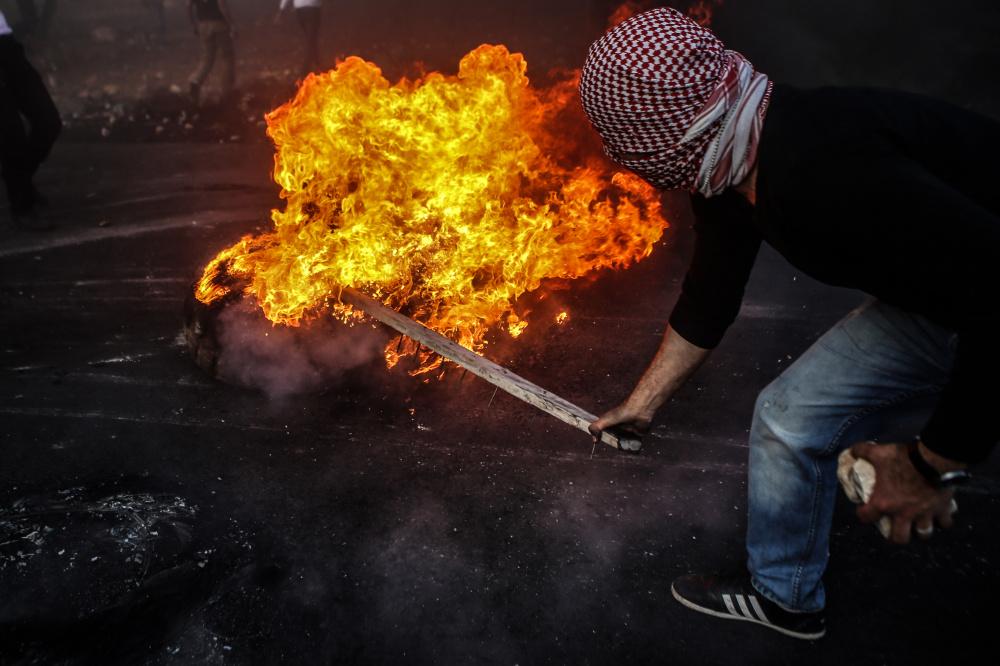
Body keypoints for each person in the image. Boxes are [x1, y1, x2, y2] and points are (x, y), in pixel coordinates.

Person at [580, 8, 999, 640]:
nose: (626, 160)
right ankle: (786, 597)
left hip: (987, 298)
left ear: (665, 136)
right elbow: (710, 293)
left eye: (627, 143)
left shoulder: (825, 173)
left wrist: (931, 465)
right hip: (947, 298)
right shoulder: (730, 160)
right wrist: (642, 404)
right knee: (788, 417)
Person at [0, 8, 61, 228]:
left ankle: (18, 181)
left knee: (48, 121)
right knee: (11, 132)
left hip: (6, 45)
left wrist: (30, 20)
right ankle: (22, 206)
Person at [187, 0, 236, 105]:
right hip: (219, 24)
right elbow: (222, 5)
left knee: (207, 58)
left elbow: (189, 6)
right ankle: (226, 92)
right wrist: (231, 24)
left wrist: (194, 25)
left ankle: (196, 80)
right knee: (227, 58)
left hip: (203, 25)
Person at [276, 0, 323, 78]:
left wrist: (281, 10)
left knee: (310, 39)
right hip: (313, 7)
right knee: (311, 39)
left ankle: (317, 64)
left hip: (300, 8)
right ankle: (306, 70)